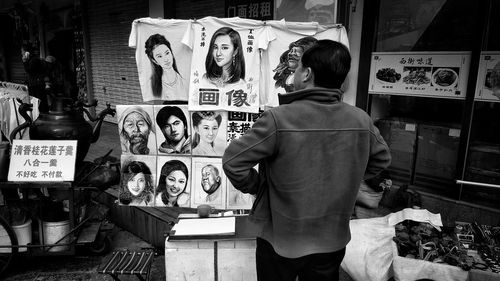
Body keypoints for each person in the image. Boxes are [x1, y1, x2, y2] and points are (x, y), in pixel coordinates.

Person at [222, 40, 391, 281]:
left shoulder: (278, 119)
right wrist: (347, 177)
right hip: (331, 241)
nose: (296, 73)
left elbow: (233, 161)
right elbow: (382, 160)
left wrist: (260, 186)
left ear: (307, 73)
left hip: (280, 238)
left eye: (298, 67)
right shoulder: (361, 120)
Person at [144, 33, 187, 101]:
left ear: (171, 53)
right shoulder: (153, 86)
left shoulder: (184, 80)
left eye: (167, 53)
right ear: (155, 61)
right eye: (159, 56)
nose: (166, 59)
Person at [21, 43, 49, 112]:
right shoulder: (32, 59)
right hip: (35, 83)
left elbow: (30, 71)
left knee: (39, 100)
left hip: (37, 84)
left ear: (27, 52)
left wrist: (25, 61)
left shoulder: (33, 60)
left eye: (22, 51)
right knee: (37, 100)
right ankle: (41, 113)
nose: (21, 53)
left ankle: (43, 114)